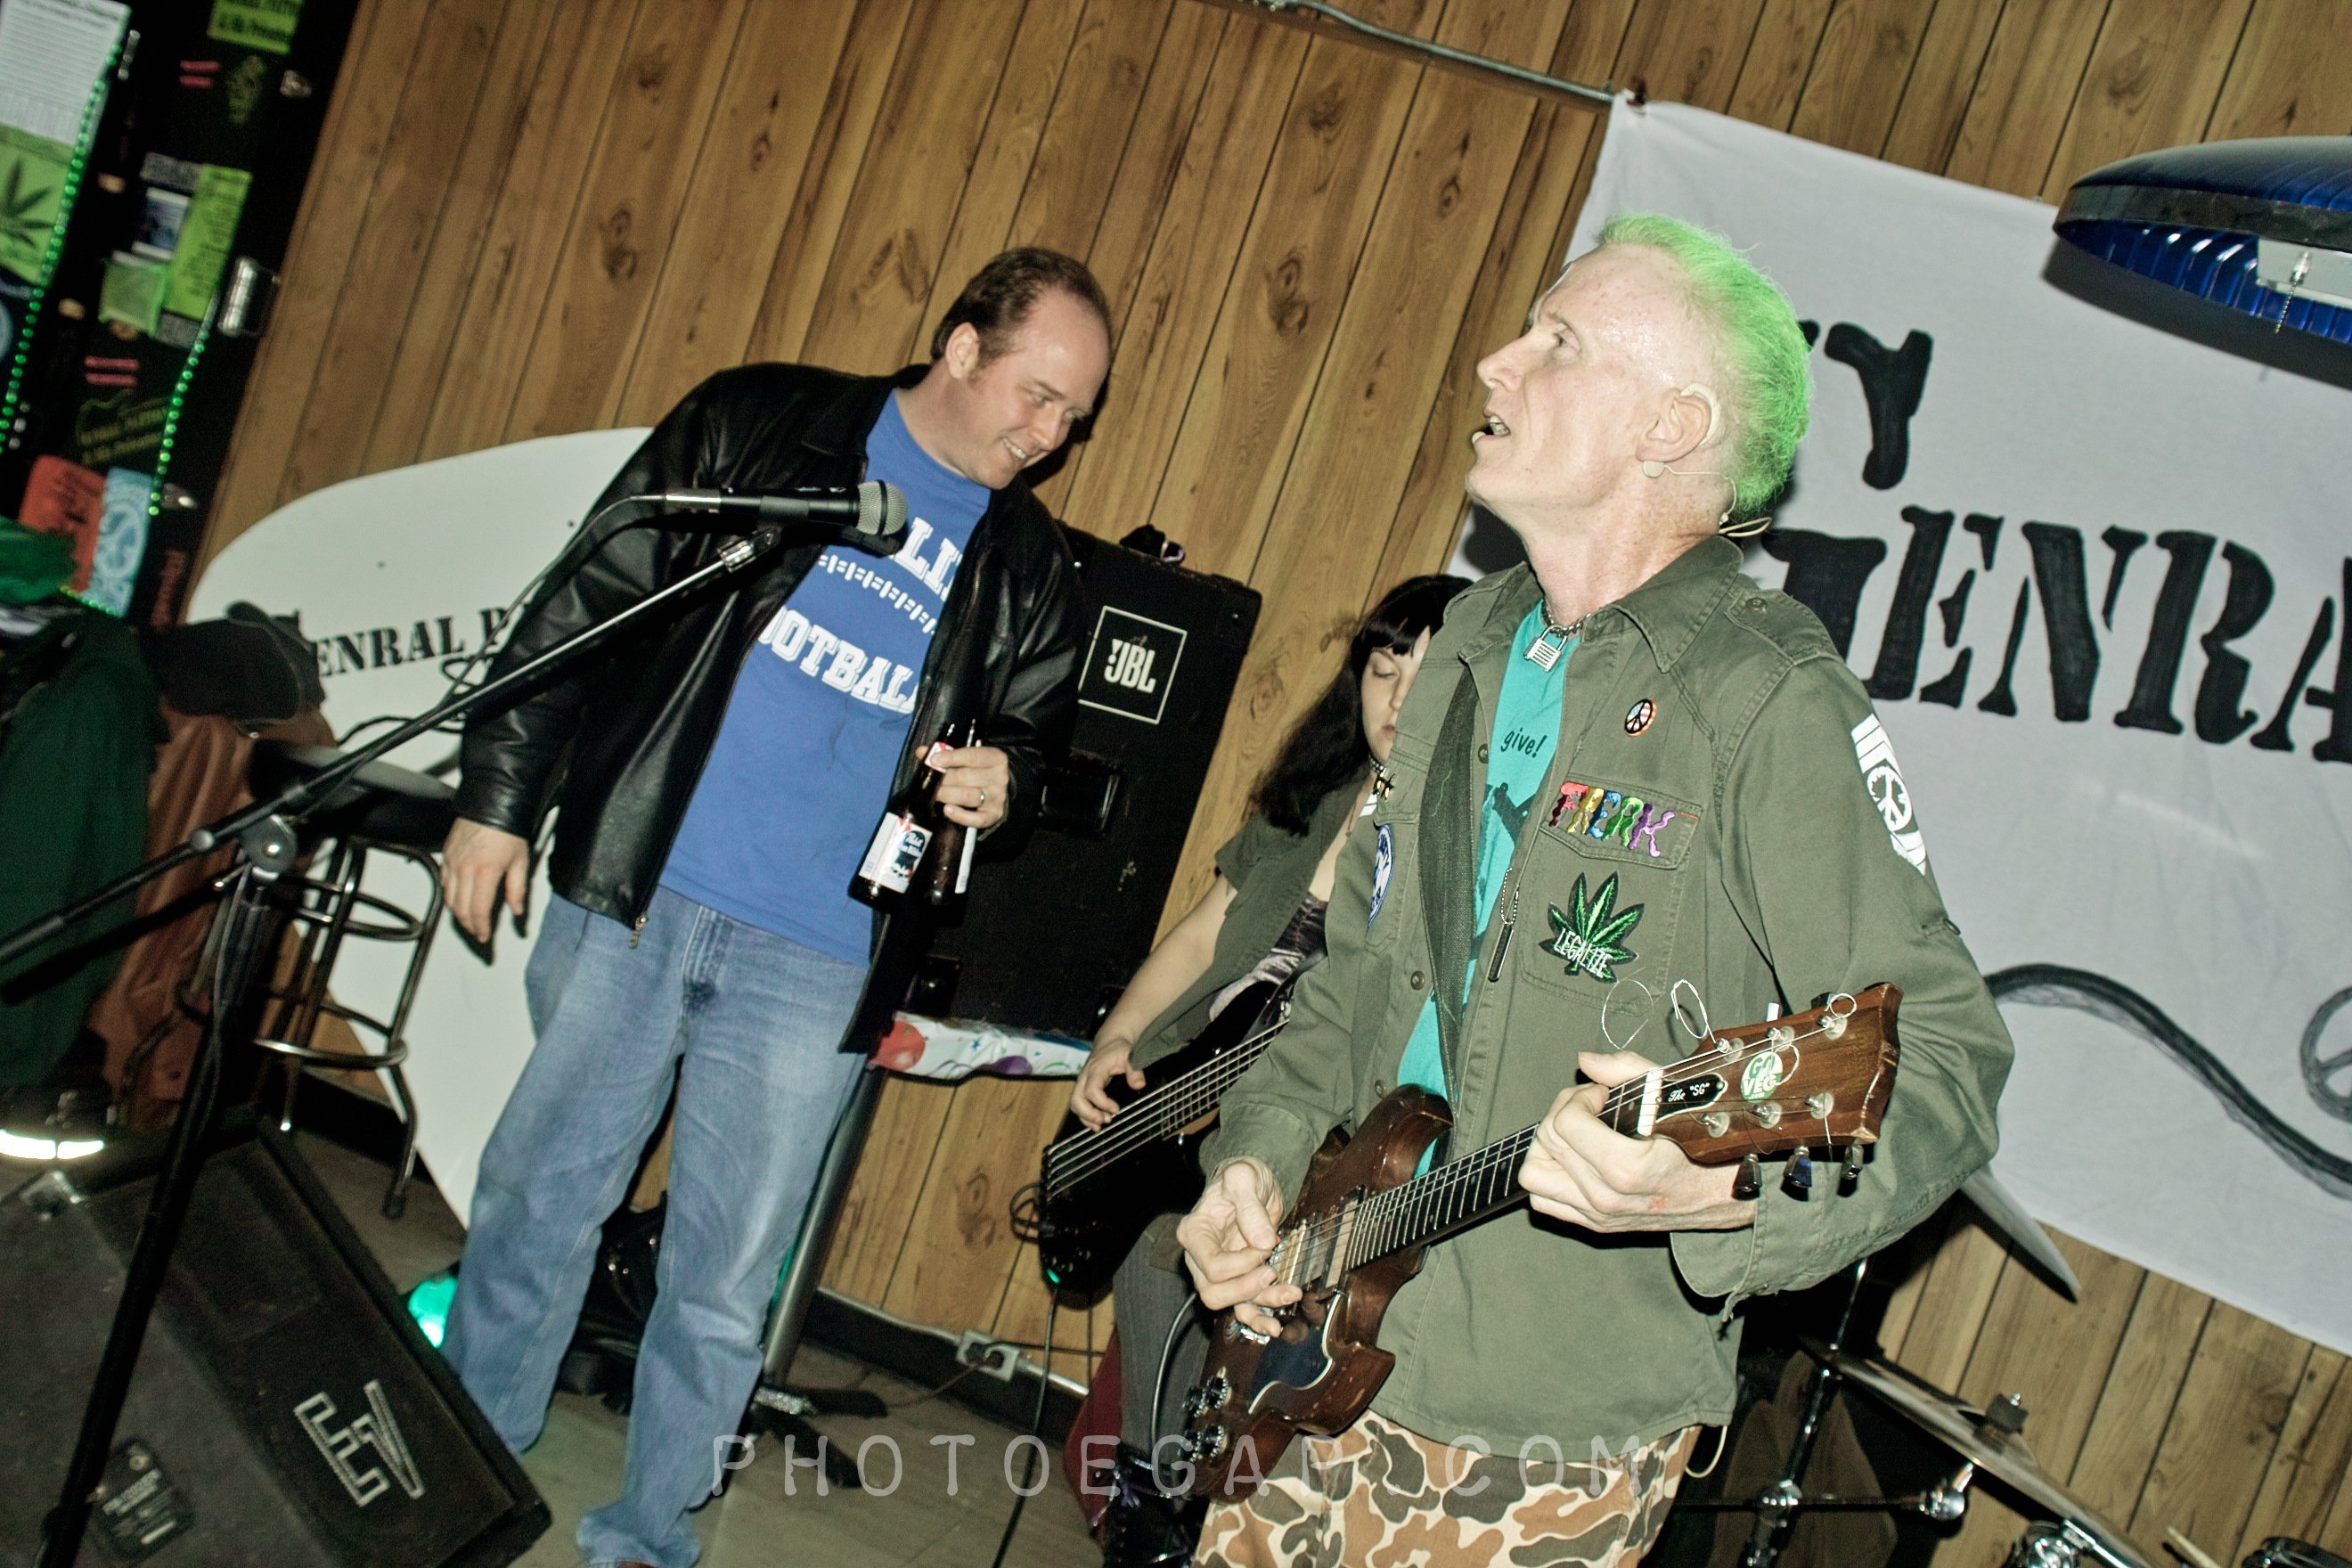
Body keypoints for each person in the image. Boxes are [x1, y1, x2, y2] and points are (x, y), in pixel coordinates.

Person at [1175, 214, 2014, 1568]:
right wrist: (1255, 1163)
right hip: (1314, 1347)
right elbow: (1355, 982)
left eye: (1558, 342)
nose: (1497, 363)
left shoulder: (1764, 697)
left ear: (1672, 427)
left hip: (1540, 1432)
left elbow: (1946, 1061)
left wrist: (1721, 1197)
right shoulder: (1469, 639)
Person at [437, 248, 1113, 1568]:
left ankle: (648, 1539)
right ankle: (465, 1484)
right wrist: (496, 800)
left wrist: (1009, 783)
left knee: (723, 1281)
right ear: (961, 345)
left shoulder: (1029, 565)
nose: (1047, 437)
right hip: (640, 890)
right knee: (537, 1203)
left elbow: (1036, 748)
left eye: (1073, 419)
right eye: (1036, 395)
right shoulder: (761, 421)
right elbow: (587, 600)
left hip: (821, 957)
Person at [1070, 573, 1466, 1566]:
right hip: (1197, 1099)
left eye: (1427, 672)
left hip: (1330, 1141)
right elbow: (1202, 938)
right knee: (1157, 1247)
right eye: (1383, 668)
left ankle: (1174, 1500)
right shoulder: (1315, 803)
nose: (1399, 695)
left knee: (1188, 1270)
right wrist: (1119, 1037)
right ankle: (1154, 1496)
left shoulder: (1457, 837)